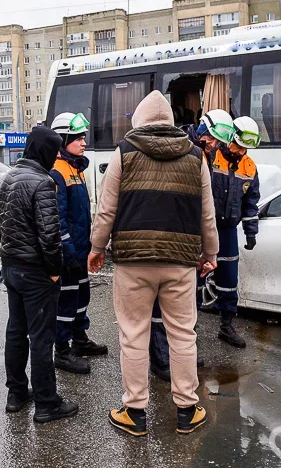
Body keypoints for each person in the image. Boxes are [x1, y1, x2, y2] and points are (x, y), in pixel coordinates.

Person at [89, 91, 218, 436]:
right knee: (182, 334)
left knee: (133, 335)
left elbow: (106, 208)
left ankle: (135, 413)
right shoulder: (196, 157)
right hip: (180, 262)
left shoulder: (124, 153)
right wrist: (211, 254)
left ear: (139, 121)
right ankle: (187, 410)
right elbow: (207, 213)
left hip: (134, 262)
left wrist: (97, 246)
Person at [0, 126, 79, 424]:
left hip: (10, 267)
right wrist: (55, 272)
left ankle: (16, 394)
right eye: (55, 149)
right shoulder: (43, 182)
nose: (57, 154)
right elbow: (50, 235)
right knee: (41, 338)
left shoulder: (9, 177)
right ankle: (47, 403)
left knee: (16, 332)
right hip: (35, 273)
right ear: (44, 150)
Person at [196, 112, 261, 347]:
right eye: (238, 145)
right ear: (229, 138)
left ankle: (226, 326)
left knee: (229, 280)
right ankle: (190, 330)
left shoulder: (249, 167)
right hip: (205, 228)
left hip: (228, 230)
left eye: (246, 148)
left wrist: (250, 231)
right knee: (197, 278)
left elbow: (250, 201)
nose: (241, 151)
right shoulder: (210, 156)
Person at [50, 112, 108, 375]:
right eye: (77, 138)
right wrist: (69, 252)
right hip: (69, 252)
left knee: (82, 295)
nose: (83, 142)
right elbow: (58, 219)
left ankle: (79, 339)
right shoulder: (57, 172)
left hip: (81, 249)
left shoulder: (75, 168)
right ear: (63, 140)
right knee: (67, 300)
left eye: (83, 137)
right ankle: (61, 350)